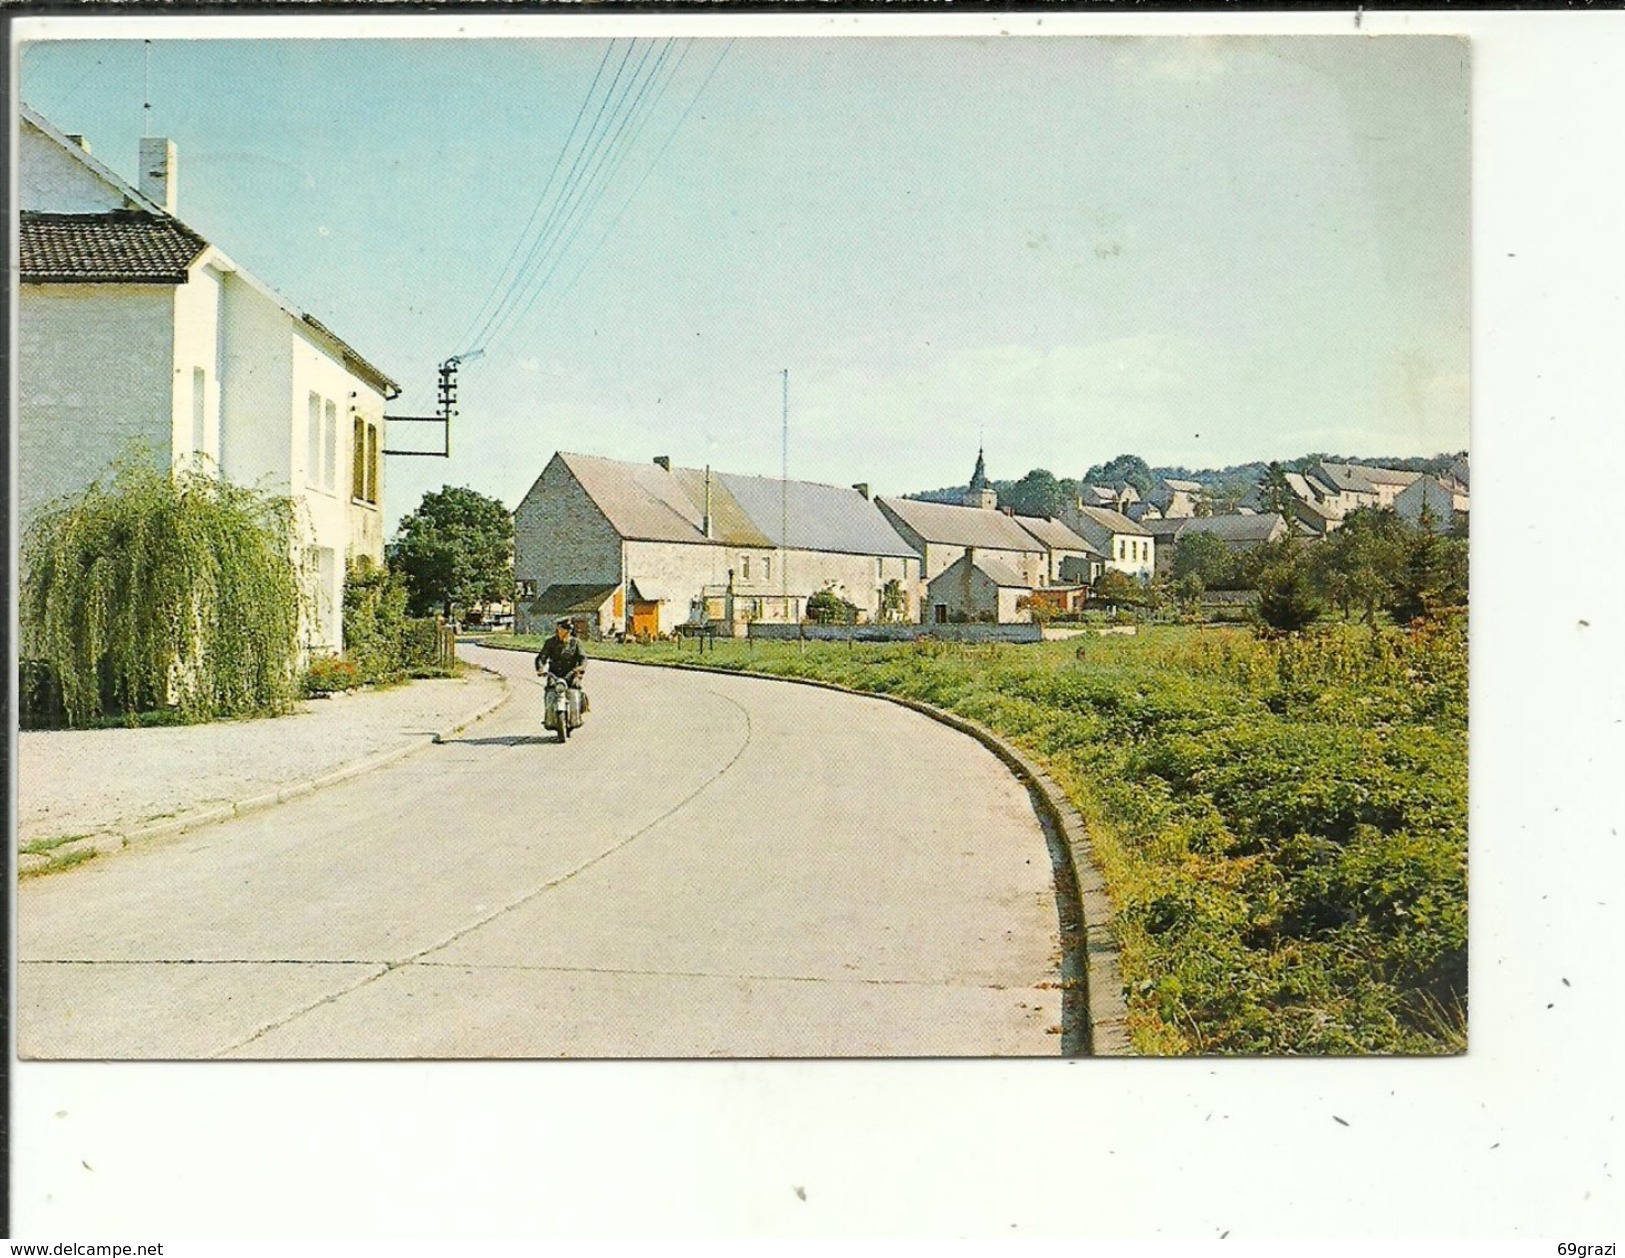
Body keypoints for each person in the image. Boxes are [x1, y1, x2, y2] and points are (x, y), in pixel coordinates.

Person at [535, 618, 588, 713]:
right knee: (550, 690)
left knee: (577, 687)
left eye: (569, 629)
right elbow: (541, 657)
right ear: (558, 628)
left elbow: (583, 658)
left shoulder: (576, 643)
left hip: (571, 673)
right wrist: (540, 668)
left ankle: (580, 711)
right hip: (554, 674)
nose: (568, 631)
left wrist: (580, 668)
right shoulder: (550, 642)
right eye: (565, 628)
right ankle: (549, 713)